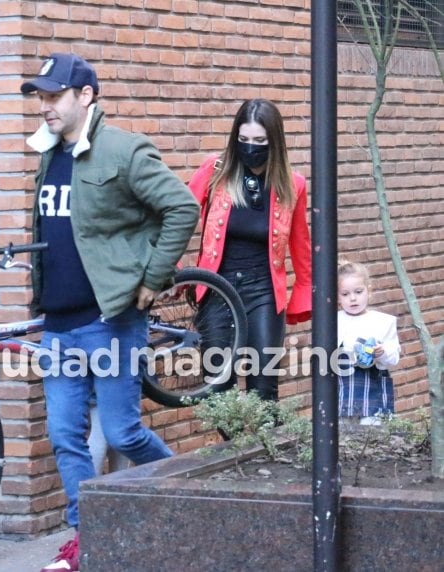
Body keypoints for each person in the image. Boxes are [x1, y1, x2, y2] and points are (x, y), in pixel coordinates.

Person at [21, 53, 200, 572]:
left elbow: (181, 207)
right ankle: (88, 542)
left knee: (122, 433)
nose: (45, 105)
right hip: (58, 324)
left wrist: (151, 278)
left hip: (109, 319)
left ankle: (194, 492)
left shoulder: (122, 150)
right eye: (41, 96)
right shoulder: (49, 153)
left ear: (86, 95)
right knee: (64, 438)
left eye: (55, 96)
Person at [188, 98, 312, 402]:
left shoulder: (292, 184)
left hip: (264, 293)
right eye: (243, 140)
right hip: (217, 288)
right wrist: (174, 268)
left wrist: (305, 290)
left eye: (259, 141)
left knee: (264, 385)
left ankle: (263, 449)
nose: (250, 147)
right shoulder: (215, 170)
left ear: (274, 142)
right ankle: (233, 450)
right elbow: (181, 214)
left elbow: (301, 243)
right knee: (218, 385)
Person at [337, 260, 400, 425]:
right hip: (342, 391)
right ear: (337, 296)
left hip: (373, 390)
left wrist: (382, 352)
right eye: (345, 294)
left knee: (373, 438)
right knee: (342, 439)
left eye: (358, 292)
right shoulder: (333, 322)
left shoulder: (383, 322)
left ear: (369, 290)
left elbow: (393, 359)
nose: (352, 298)